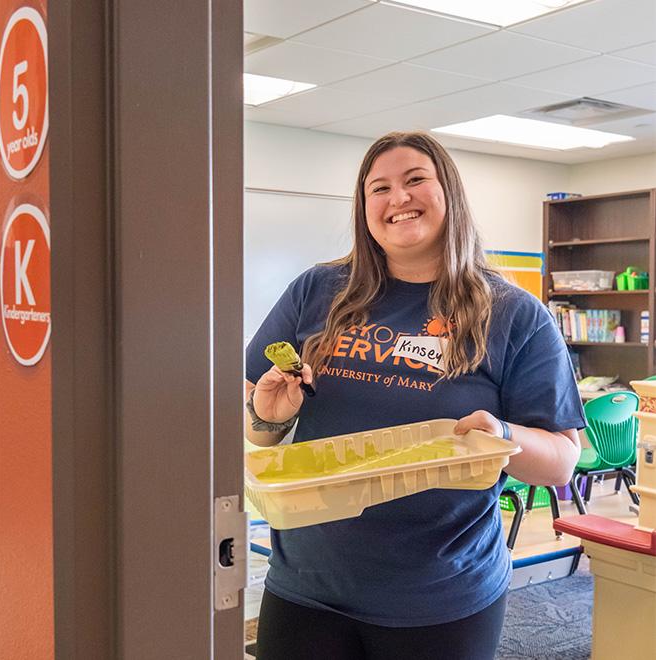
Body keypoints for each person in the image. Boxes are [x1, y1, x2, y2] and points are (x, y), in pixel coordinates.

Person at [245, 131, 585, 660]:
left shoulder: (515, 314)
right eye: (378, 188)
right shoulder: (316, 290)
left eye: (415, 180)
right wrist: (266, 417)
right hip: (306, 585)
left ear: (449, 191)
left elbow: (563, 462)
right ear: (364, 209)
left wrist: (503, 438)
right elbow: (254, 427)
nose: (397, 199)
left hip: (441, 598)